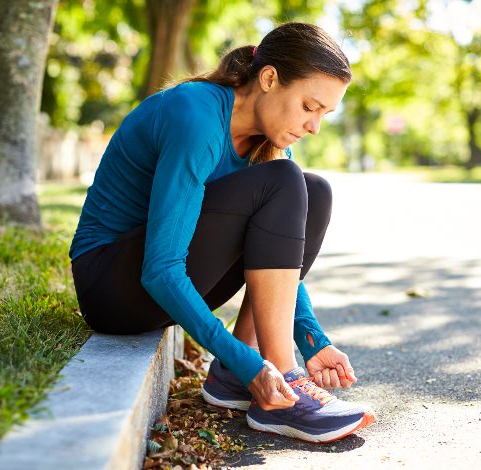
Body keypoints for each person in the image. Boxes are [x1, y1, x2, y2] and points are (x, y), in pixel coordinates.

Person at [69, 22, 375, 443]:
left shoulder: (267, 143)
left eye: (324, 114)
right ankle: (277, 381)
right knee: (287, 180)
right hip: (112, 288)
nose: (314, 126)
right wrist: (254, 364)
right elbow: (160, 269)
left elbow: (277, 260)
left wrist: (312, 338)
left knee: (313, 190)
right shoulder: (195, 115)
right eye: (309, 106)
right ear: (268, 79)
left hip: (158, 284)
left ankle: (236, 375)